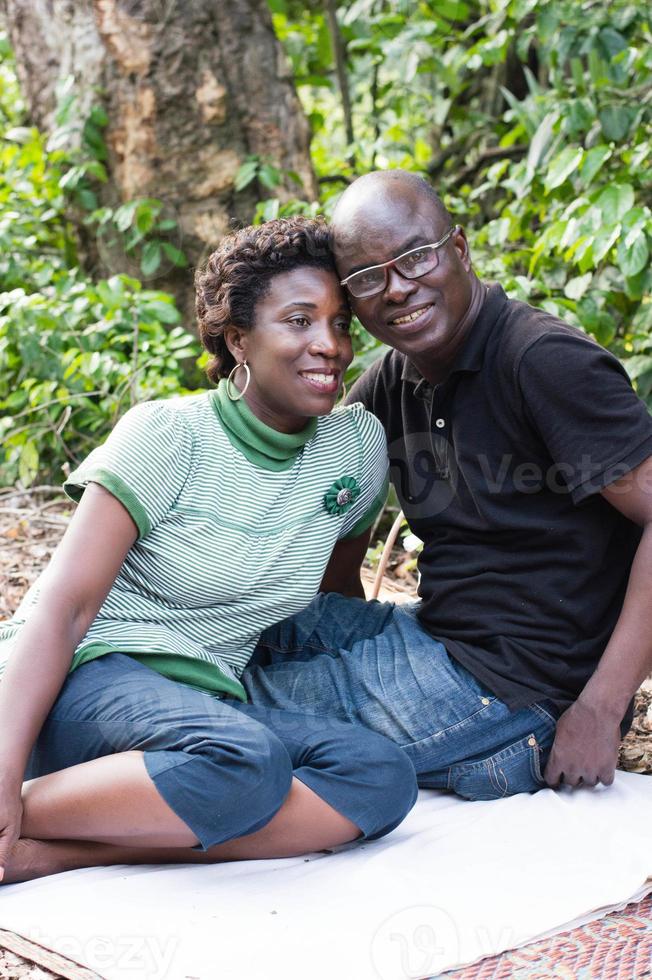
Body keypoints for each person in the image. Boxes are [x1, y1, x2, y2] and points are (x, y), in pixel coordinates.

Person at [0, 216, 417, 884]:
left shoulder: (355, 451)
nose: (329, 345)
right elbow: (64, 608)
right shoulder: (169, 436)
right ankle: (17, 809)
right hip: (93, 675)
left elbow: (333, 597)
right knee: (244, 762)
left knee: (379, 775)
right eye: (300, 320)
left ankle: (41, 853)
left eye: (341, 323)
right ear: (238, 338)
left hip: (211, 702)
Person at [243, 169, 652, 799]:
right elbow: (322, 507)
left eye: (415, 257)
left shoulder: (541, 360)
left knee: (221, 708)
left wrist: (598, 710)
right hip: (438, 636)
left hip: (521, 694)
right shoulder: (388, 383)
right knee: (231, 633)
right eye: (367, 277)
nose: (398, 288)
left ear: (458, 249)